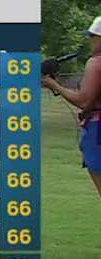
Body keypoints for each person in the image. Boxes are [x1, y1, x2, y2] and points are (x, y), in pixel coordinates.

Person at [43, 16, 101, 199]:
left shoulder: (96, 63)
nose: (90, 40)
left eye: (93, 36)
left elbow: (84, 101)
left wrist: (53, 84)